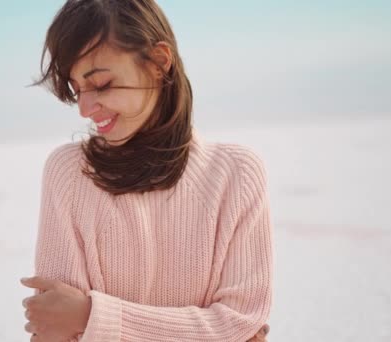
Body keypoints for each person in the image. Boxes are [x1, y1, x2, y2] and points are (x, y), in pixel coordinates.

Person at [20, 1, 273, 341]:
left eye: (102, 84)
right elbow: (55, 331)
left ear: (158, 62)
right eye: (76, 88)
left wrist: (90, 316)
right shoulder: (68, 174)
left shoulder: (236, 175)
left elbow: (238, 322)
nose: (84, 108)